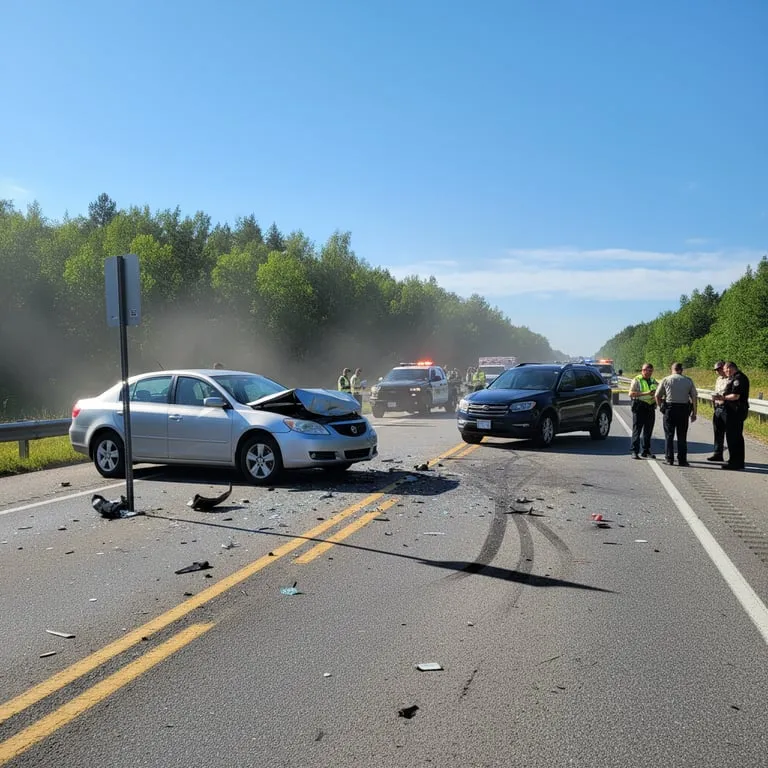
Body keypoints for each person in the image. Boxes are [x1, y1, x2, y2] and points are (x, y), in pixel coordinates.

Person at [655, 362, 697, 466]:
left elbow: (657, 395)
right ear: (681, 370)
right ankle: (682, 460)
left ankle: (669, 459)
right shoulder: (688, 380)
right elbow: (694, 398)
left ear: (672, 369)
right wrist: (694, 413)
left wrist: (661, 407)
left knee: (669, 435)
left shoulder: (666, 380)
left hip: (670, 409)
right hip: (683, 410)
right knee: (682, 436)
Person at [714, 361, 750, 470]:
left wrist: (723, 398)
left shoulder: (738, 379)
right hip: (733, 411)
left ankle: (736, 462)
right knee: (734, 436)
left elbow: (735, 396)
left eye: (725, 370)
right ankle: (734, 460)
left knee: (734, 436)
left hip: (736, 411)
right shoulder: (736, 377)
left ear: (730, 368)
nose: (725, 373)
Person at [629, 363, 658, 459]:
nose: (648, 372)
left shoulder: (653, 380)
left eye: (650, 371)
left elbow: (658, 392)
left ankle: (646, 450)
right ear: (642, 370)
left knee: (648, 430)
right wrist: (647, 393)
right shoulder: (637, 380)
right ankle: (634, 451)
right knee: (637, 430)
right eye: (646, 370)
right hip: (639, 406)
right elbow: (631, 393)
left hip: (650, 407)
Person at [707, 360, 729, 462]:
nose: (717, 371)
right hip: (718, 407)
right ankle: (718, 453)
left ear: (723, 368)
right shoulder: (719, 379)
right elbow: (717, 391)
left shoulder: (730, 378)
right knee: (717, 431)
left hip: (727, 407)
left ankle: (733, 456)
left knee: (729, 432)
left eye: (719, 369)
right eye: (715, 370)